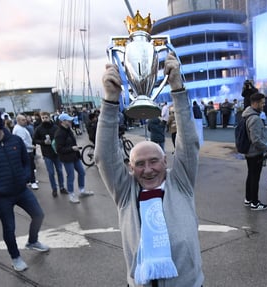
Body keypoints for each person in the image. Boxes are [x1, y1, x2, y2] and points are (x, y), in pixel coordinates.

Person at [96, 53, 204, 287]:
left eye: (154, 161)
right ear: (130, 168)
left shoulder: (180, 183)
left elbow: (189, 143)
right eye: (140, 164)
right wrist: (111, 101)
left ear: (165, 161)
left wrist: (177, 89)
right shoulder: (125, 192)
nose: (148, 170)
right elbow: (104, 157)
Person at [0, 108, 49, 271]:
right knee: (9, 228)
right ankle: (16, 258)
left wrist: (26, 177)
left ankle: (32, 241)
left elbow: (26, 161)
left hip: (21, 190)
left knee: (39, 215)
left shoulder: (15, 140)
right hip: (1, 196)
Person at [242, 93, 267, 211]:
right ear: (255, 103)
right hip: (254, 152)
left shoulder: (246, 114)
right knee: (255, 177)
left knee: (250, 175)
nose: (264, 105)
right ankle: (255, 203)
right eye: (262, 103)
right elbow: (256, 140)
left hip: (248, 151)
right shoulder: (255, 118)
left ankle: (248, 199)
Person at [54, 113, 94, 203]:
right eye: (68, 120)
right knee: (71, 176)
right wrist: (71, 148)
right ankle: (71, 195)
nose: (71, 121)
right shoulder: (59, 133)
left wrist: (77, 153)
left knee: (82, 172)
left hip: (74, 156)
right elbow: (59, 149)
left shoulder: (68, 130)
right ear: (63, 122)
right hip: (67, 158)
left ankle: (82, 190)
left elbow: (73, 143)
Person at [33, 111, 67, 198]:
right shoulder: (38, 128)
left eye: (46, 117)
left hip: (56, 153)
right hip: (46, 154)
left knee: (59, 170)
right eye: (43, 118)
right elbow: (34, 140)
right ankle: (54, 189)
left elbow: (61, 137)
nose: (44, 119)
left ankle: (62, 187)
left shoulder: (55, 127)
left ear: (49, 117)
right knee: (51, 172)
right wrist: (43, 142)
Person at [12, 114, 39, 190]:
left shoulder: (20, 128)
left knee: (29, 166)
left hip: (27, 150)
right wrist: (31, 146)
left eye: (25, 119)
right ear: (18, 121)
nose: (25, 121)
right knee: (30, 166)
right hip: (26, 151)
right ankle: (32, 182)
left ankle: (30, 180)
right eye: (23, 120)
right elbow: (23, 141)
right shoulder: (19, 129)